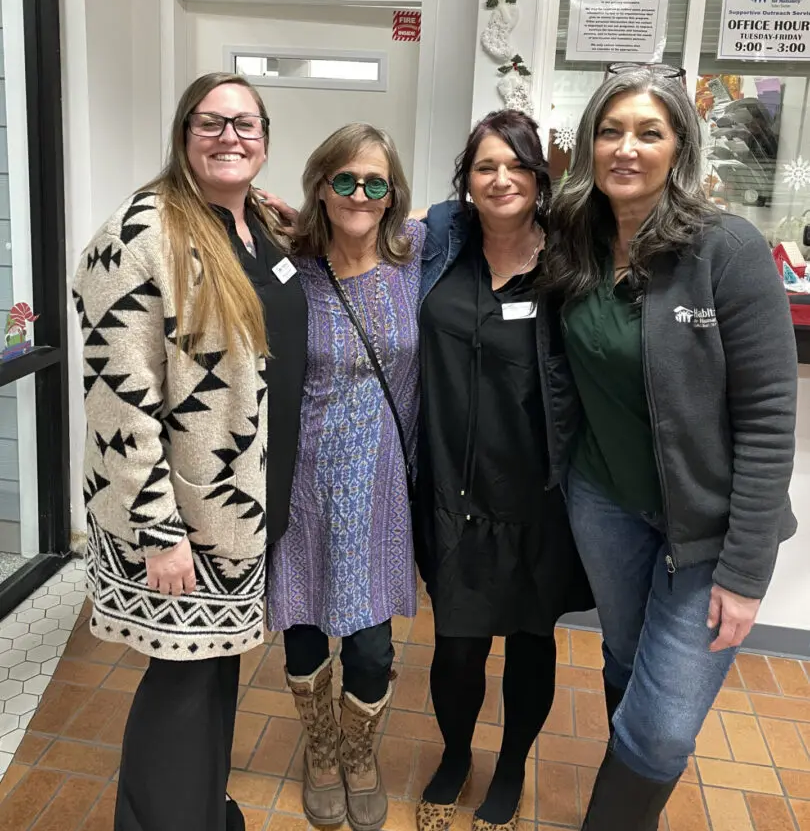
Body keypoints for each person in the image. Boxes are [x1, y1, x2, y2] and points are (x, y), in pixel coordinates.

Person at [542, 64, 798, 829]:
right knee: (625, 663)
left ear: (678, 146)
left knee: (662, 725)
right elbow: (482, 209)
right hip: (604, 502)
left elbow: (768, 414)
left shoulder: (727, 249)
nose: (627, 148)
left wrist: (747, 573)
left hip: (708, 528)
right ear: (589, 142)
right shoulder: (577, 241)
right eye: (611, 131)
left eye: (649, 133)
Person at [73, 72, 307, 831]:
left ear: (266, 139)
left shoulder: (254, 226)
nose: (230, 137)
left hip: (239, 509)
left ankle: (203, 811)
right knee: (180, 690)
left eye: (246, 124)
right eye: (211, 123)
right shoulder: (143, 235)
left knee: (213, 677)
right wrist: (158, 531)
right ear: (183, 134)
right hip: (182, 520)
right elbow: (119, 400)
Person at [413, 109, 593, 831]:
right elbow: (360, 232)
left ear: (540, 180)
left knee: (529, 640)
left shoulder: (571, 265)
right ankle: (456, 752)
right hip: (452, 493)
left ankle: (514, 762)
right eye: (486, 166)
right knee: (456, 645)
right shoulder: (439, 249)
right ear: (467, 181)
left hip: (540, 497)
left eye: (517, 165)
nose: (502, 178)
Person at [266, 123, 425, 831]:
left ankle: (359, 753)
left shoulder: (417, 254)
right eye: (345, 180)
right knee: (303, 628)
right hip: (303, 480)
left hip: (383, 487)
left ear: (394, 194)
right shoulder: (289, 268)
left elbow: (482, 209)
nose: (360, 193)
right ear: (321, 186)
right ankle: (320, 749)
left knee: (370, 643)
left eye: (375, 181)